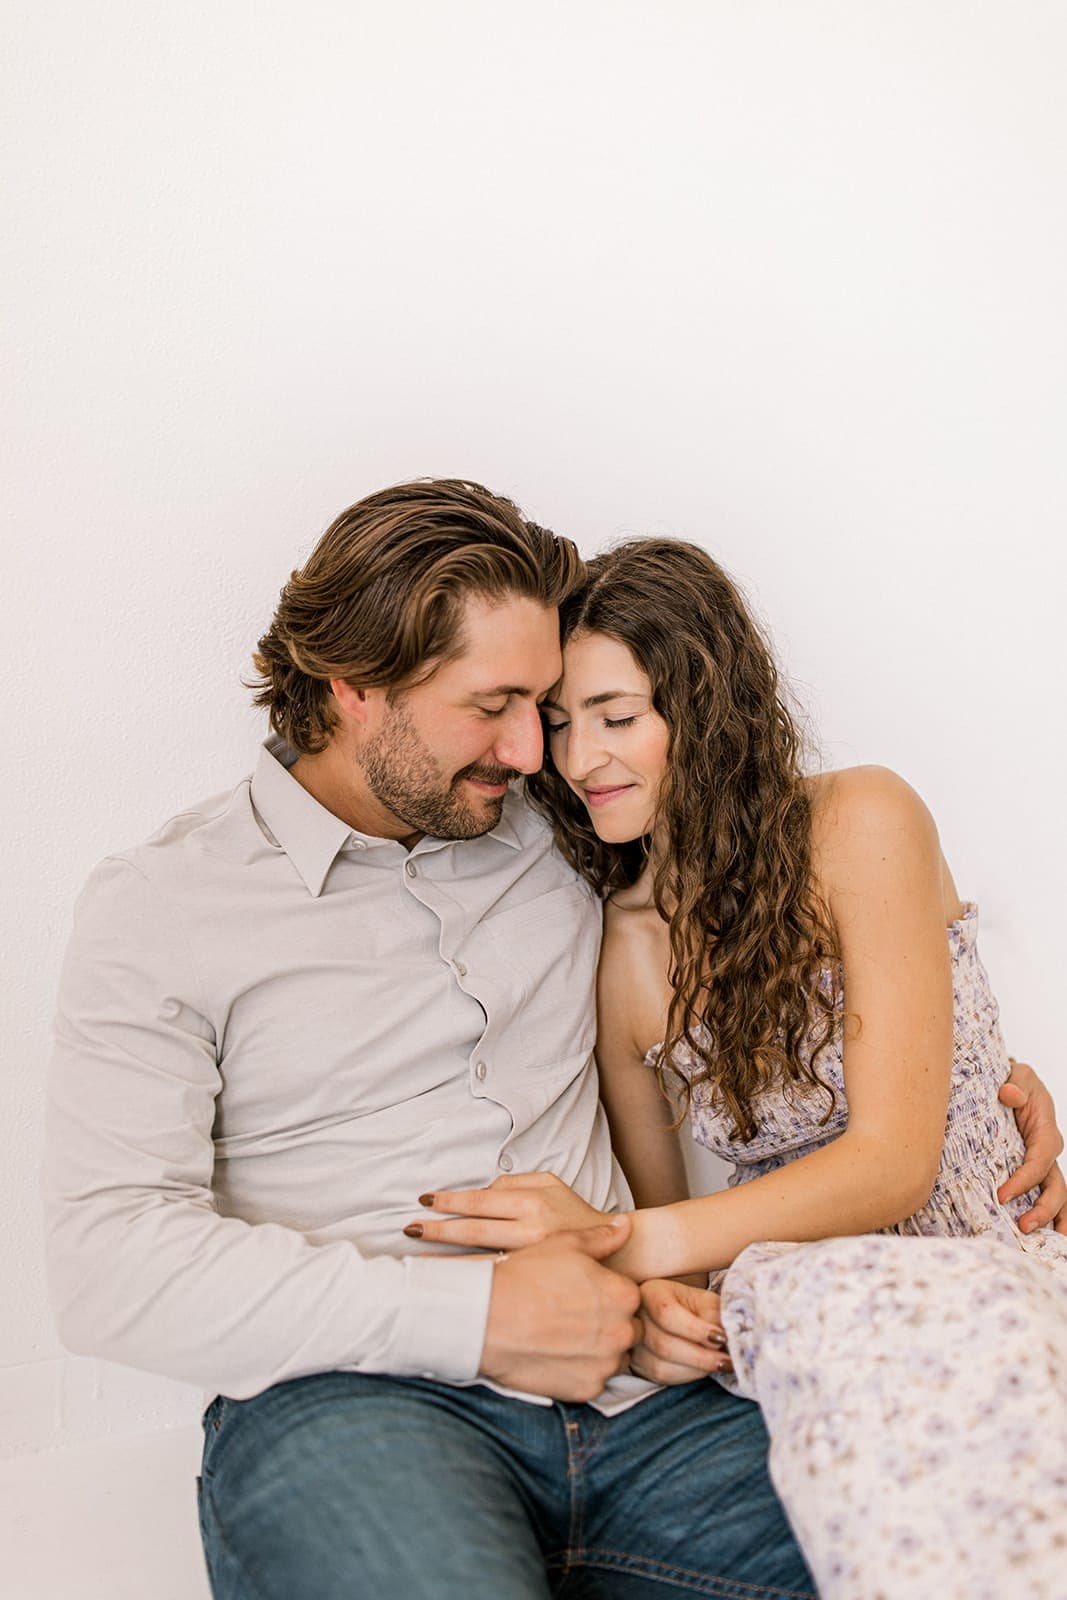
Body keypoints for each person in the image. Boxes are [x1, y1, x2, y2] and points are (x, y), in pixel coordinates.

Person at [45, 486, 1059, 1600]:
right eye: (496, 704)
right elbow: (106, 1264)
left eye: (549, 705)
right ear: (354, 689)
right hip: (361, 1401)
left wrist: (977, 1076)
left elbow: (766, 918)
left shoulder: (553, 827)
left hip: (658, 1396)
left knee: (978, 1535)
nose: (536, 749)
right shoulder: (164, 903)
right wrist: (480, 1319)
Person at [410, 537, 1067, 1599]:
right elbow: (670, 1249)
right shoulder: (624, 952)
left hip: (993, 1267)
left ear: (702, 711)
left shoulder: (860, 820)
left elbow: (894, 1160)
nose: (581, 761)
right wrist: (659, 1290)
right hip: (821, 1312)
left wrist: (617, 1240)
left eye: (618, 717)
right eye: (564, 725)